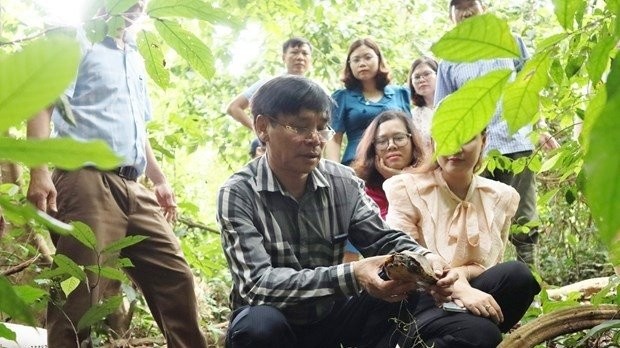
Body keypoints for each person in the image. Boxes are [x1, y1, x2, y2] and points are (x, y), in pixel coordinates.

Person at [216, 75, 458, 348]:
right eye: (300, 127)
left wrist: (426, 259)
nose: (315, 140)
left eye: (322, 128)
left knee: (404, 289)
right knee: (258, 327)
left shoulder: (342, 182)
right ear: (262, 128)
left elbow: (383, 238)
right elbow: (257, 285)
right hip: (274, 325)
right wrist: (353, 274)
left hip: (332, 317)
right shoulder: (238, 193)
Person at [26, 3, 207, 347]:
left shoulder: (137, 56)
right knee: (81, 291)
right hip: (86, 179)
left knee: (175, 277)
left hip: (134, 186)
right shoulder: (78, 40)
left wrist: (160, 178)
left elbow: (138, 129)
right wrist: (39, 172)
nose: (138, 4)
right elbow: (43, 103)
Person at [384, 130, 541, 348]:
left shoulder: (500, 196)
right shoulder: (407, 188)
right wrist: (459, 289)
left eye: (466, 138)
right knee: (484, 333)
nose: (456, 149)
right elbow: (402, 259)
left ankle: (466, 334)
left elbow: (489, 266)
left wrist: (461, 276)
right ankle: (463, 336)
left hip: (471, 295)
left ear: (483, 141)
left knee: (519, 276)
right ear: (434, 142)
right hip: (418, 301)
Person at [434, 0, 559, 265]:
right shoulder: (448, 61)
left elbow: (529, 85)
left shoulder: (511, 43)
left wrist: (541, 127)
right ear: (451, 17)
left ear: (484, 11)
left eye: (471, 5)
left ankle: (530, 281)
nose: (466, 11)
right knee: (477, 219)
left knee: (524, 216)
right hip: (474, 153)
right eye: (459, 7)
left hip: (517, 141)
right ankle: (489, 280)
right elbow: (443, 108)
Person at [325, 38, 411, 166]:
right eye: (356, 60)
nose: (362, 63)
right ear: (349, 65)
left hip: (396, 164)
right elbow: (334, 139)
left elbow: (410, 134)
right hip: (358, 166)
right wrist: (334, 171)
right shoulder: (341, 97)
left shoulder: (400, 93)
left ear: (378, 59)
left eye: (367, 57)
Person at [351, 110, 427, 219]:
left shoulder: (431, 179)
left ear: (412, 141)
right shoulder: (362, 189)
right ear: (373, 148)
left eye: (399, 138)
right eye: (382, 141)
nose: (391, 145)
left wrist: (400, 179)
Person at [226, 37, 313, 130]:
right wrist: (259, 131)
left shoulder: (316, 90)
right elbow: (234, 108)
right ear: (284, 57)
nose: (300, 57)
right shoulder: (270, 84)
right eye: (294, 52)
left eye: (305, 53)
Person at [407, 56, 438, 150]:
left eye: (427, 74)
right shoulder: (411, 116)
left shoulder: (454, 105)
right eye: (416, 77)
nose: (421, 80)